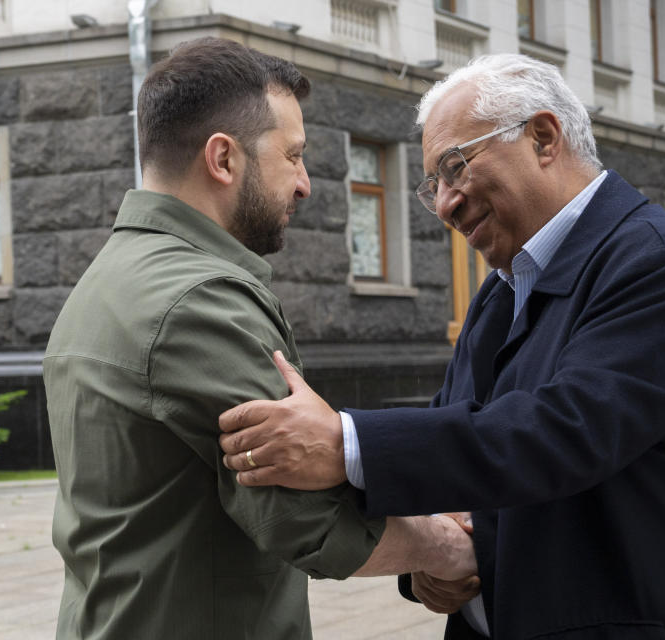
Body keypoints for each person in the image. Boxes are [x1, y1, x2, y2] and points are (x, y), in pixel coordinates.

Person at [218, 53, 665, 639]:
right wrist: (432, 558)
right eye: (434, 186)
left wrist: (344, 441)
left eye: (456, 168)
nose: (447, 204)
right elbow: (463, 438)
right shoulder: (505, 285)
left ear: (544, 137)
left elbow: (561, 433)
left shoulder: (661, 258)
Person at [43, 37, 476, 640]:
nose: (304, 184)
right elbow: (304, 521)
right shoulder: (200, 301)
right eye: (293, 155)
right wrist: (449, 549)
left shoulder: (108, 278)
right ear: (223, 159)